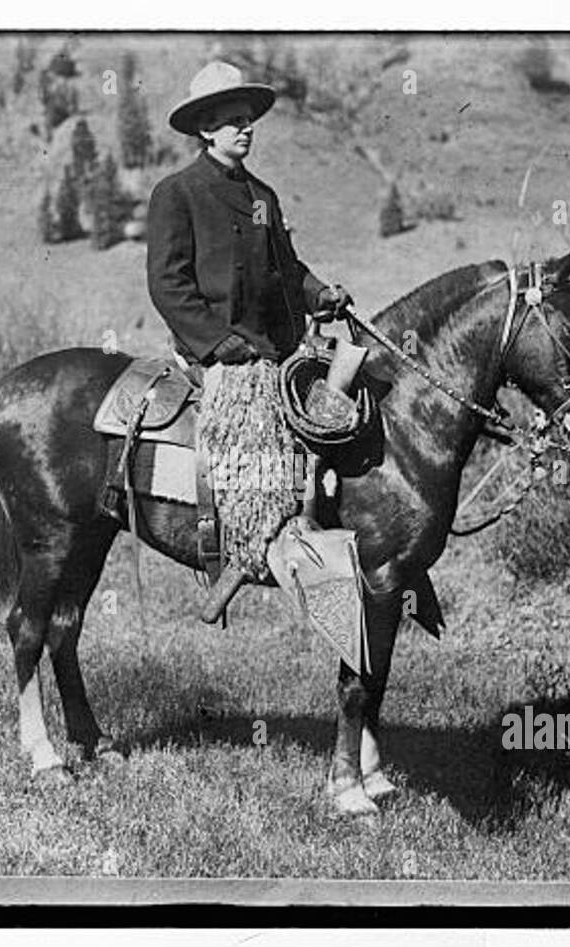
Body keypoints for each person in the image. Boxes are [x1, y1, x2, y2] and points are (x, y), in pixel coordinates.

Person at [146, 61, 365, 623]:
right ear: (205, 130)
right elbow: (168, 283)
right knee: (252, 440)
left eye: (248, 120)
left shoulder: (262, 195)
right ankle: (247, 548)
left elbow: (287, 272)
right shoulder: (178, 193)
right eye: (233, 121)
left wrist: (322, 295)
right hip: (219, 356)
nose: (246, 129)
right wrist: (218, 344)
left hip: (272, 351)